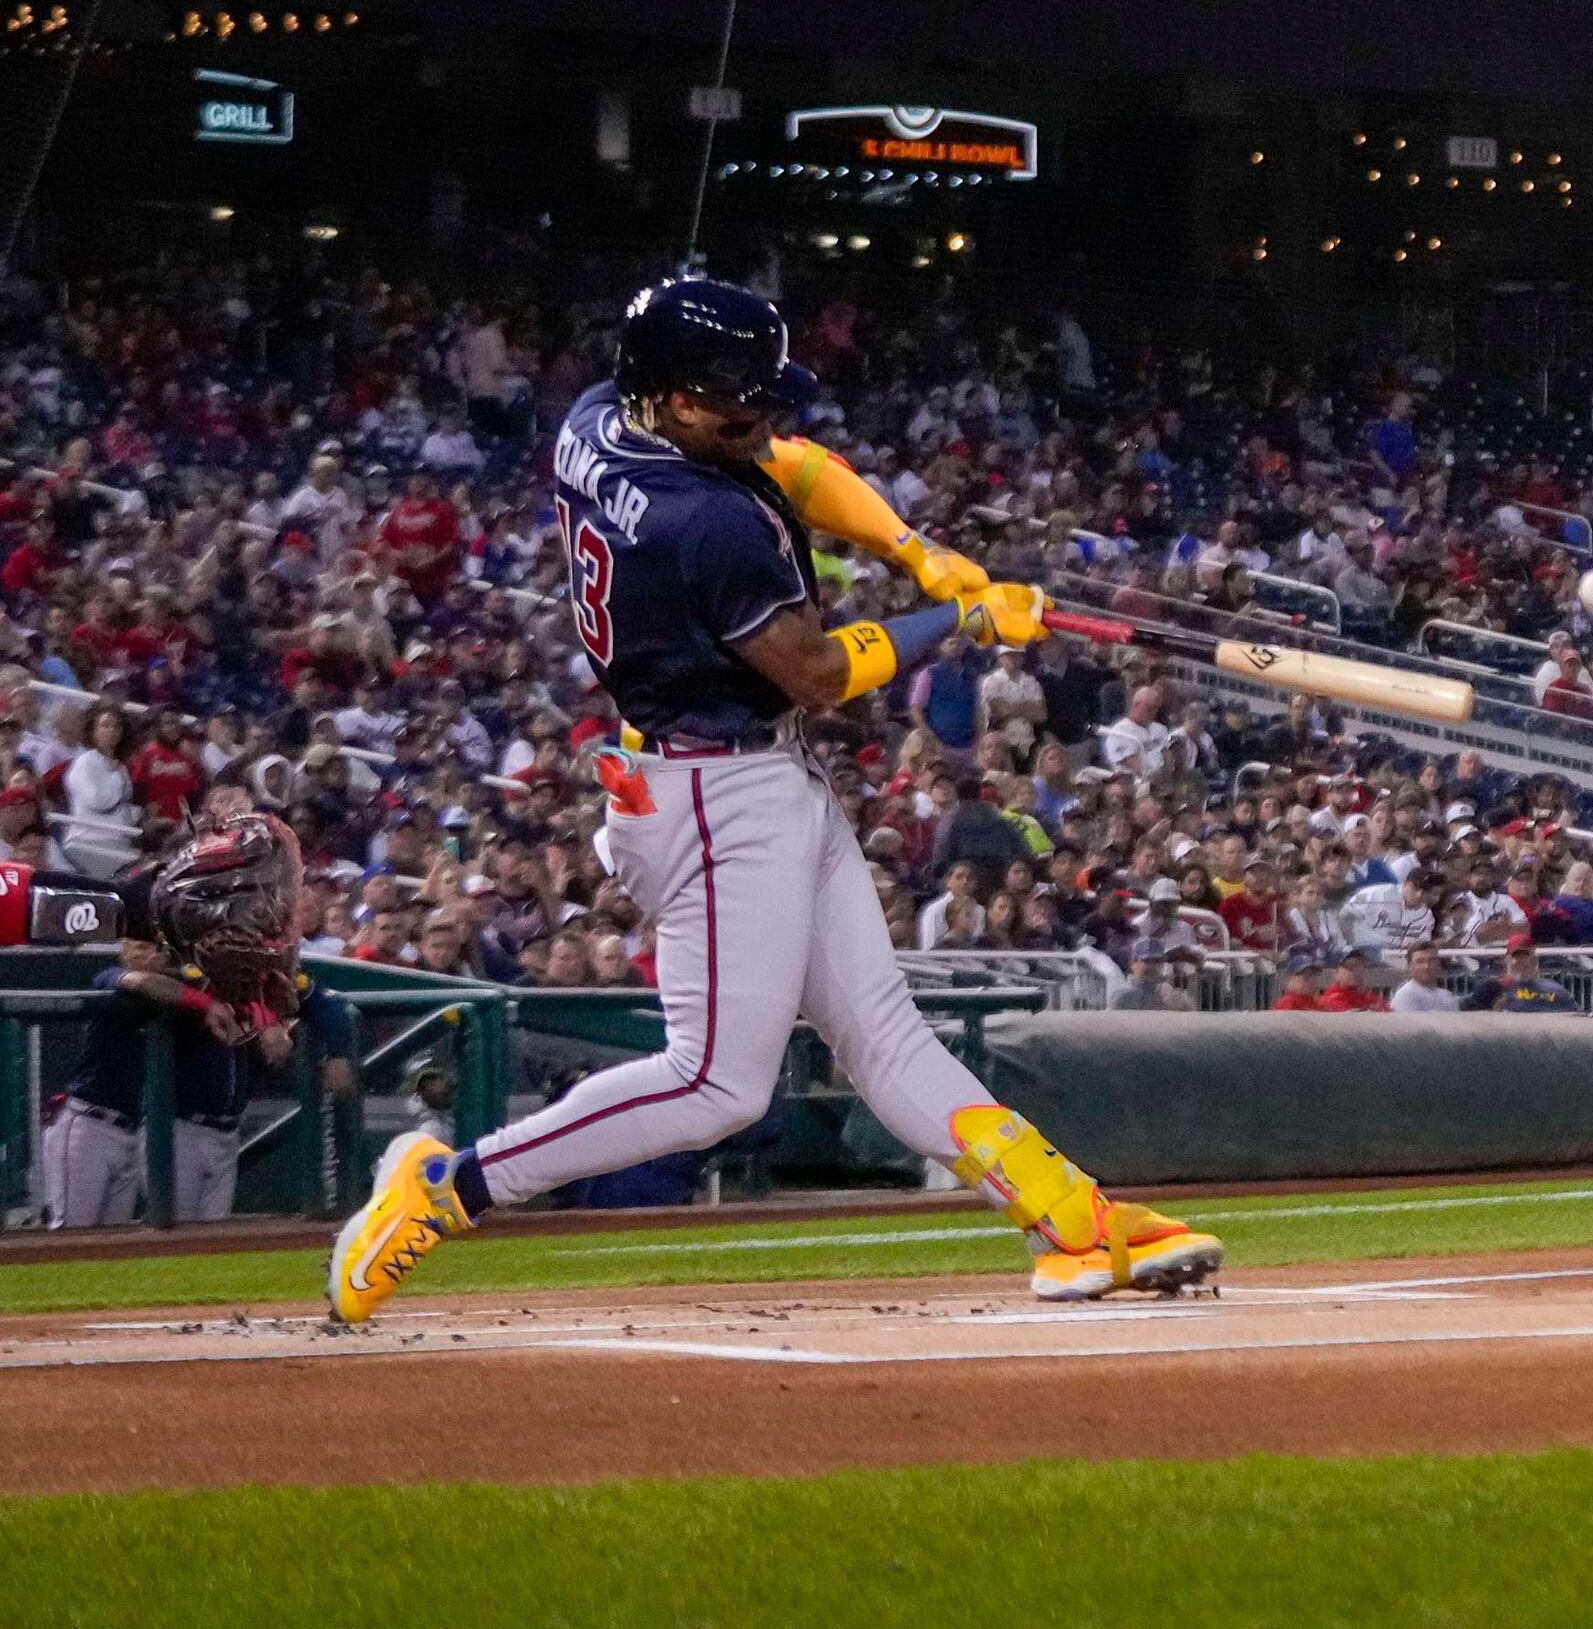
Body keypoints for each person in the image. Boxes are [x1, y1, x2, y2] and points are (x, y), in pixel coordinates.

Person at [328, 275, 1220, 1323]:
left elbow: (791, 464)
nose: (758, 417)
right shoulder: (699, 520)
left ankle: (1074, 1221)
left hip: (748, 771)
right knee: (716, 1084)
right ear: (668, 394)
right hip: (705, 790)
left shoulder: (602, 417)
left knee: (885, 1032)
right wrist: (961, 624)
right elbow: (815, 670)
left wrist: (915, 552)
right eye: (731, 399)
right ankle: (452, 1184)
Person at [33, 817, 313, 1228]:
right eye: (138, 946)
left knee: (115, 1251)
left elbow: (249, 991)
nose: (149, 954)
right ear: (124, 949)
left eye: (155, 948)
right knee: (71, 1236)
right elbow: (138, 981)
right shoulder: (111, 978)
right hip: (89, 1122)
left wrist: (260, 1015)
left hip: (137, 1128)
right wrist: (202, 1004)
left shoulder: (189, 982)